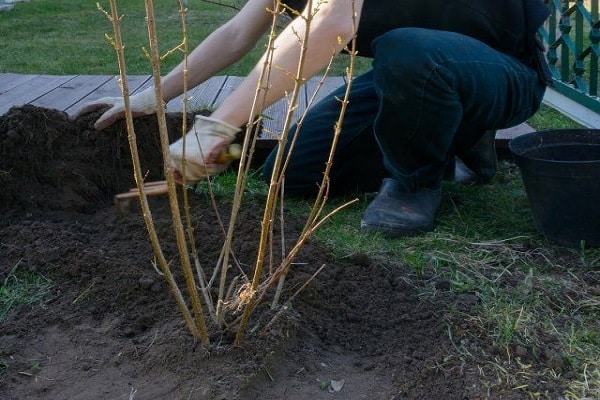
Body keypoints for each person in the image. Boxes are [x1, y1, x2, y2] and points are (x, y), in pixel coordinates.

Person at [74, 0, 552, 238]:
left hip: (502, 69)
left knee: (408, 50)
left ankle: (417, 182)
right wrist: (153, 97)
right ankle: (454, 135)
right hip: (413, 74)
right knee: (292, 173)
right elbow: (239, 32)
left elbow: (330, 24)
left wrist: (214, 132)